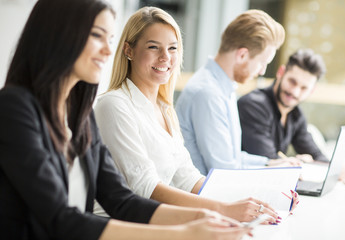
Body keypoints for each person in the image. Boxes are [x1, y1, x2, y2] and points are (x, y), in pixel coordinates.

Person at [0, 1, 252, 239]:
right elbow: (60, 219)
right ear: (58, 34)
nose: (109, 50)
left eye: (110, 39)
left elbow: (121, 199)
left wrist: (208, 216)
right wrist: (185, 233)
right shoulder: (14, 108)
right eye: (97, 36)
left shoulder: (80, 114)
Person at [94, 6, 291, 224]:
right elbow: (145, 187)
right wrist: (224, 209)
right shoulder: (114, 105)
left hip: (157, 221)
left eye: (172, 48)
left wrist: (258, 202)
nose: (165, 57)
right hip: (121, 227)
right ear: (128, 50)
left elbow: (187, 177)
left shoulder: (165, 109)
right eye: (153, 47)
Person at [175, 9, 303, 176]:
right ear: (242, 55)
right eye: (262, 63)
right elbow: (224, 170)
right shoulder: (208, 93)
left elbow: (232, 158)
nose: (262, 71)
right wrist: (272, 170)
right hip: (204, 197)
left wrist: (270, 163)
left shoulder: (222, 87)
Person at [237, 49, 328, 162]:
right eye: (292, 82)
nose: (295, 92)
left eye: (303, 88)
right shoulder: (253, 105)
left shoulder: (296, 114)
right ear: (281, 72)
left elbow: (316, 155)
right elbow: (268, 161)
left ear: (311, 91)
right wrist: (300, 162)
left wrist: (332, 166)